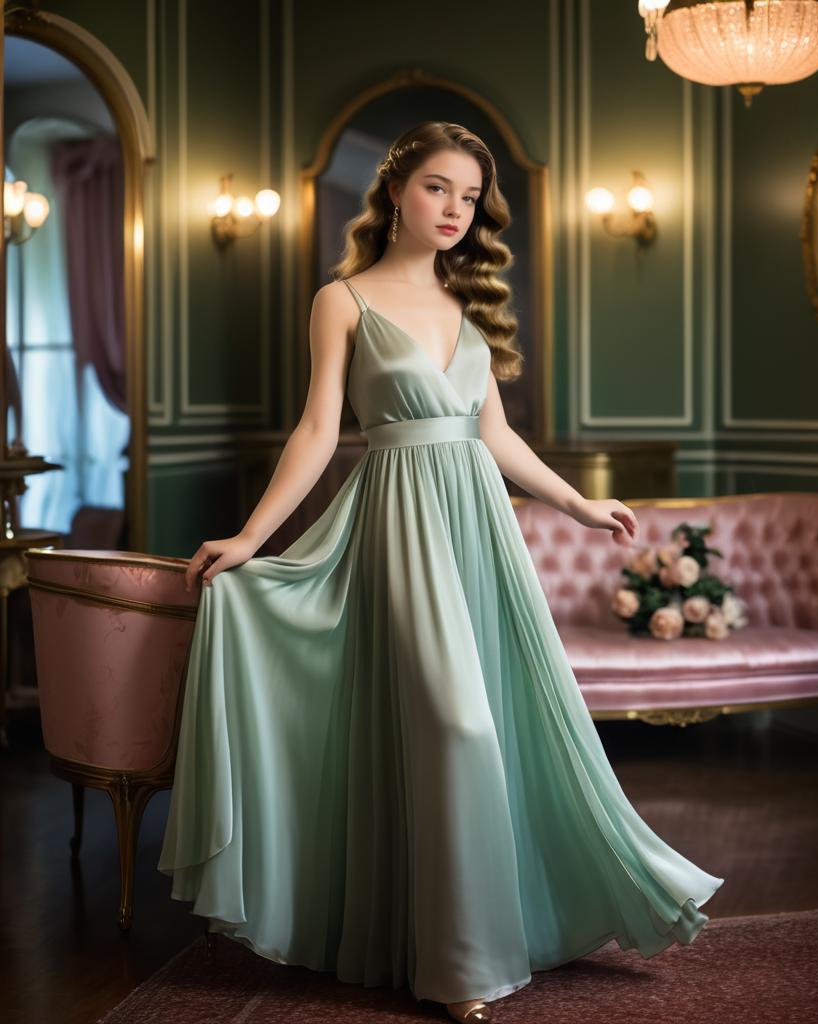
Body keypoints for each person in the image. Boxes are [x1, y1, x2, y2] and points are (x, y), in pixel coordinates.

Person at [157, 121, 724, 1024]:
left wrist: (576, 502)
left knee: (498, 726)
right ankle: (460, 960)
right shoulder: (340, 300)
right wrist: (254, 538)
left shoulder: (468, 311)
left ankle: (475, 941)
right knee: (451, 727)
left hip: (478, 532)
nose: (455, 209)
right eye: (437, 188)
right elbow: (317, 433)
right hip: (399, 529)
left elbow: (493, 436)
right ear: (394, 192)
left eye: (469, 196)